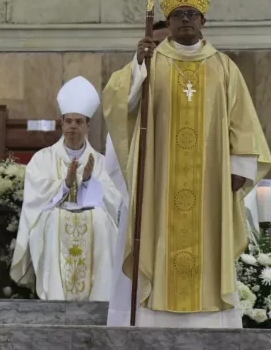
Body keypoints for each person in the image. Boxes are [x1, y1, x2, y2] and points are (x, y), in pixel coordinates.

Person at [103, 0, 271, 327]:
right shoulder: (152, 62)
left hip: (210, 187)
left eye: (191, 14)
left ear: (203, 20)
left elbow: (244, 124)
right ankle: (152, 320)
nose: (184, 20)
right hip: (160, 187)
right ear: (168, 18)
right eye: (178, 14)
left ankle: (209, 323)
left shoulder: (224, 68)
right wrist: (137, 66)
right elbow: (120, 104)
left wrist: (238, 171)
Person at [10, 76, 122, 301]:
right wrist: (66, 184)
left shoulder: (100, 162)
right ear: (61, 123)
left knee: (100, 220)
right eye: (69, 121)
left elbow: (114, 202)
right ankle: (55, 296)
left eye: (79, 122)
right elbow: (35, 200)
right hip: (52, 220)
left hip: (95, 220)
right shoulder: (42, 159)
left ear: (88, 125)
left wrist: (89, 182)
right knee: (53, 221)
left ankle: (100, 299)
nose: (73, 126)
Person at [105, 20, 167, 325]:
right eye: (154, 44)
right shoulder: (133, 74)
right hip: (144, 186)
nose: (160, 50)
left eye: (165, 44)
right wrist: (139, 65)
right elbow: (118, 107)